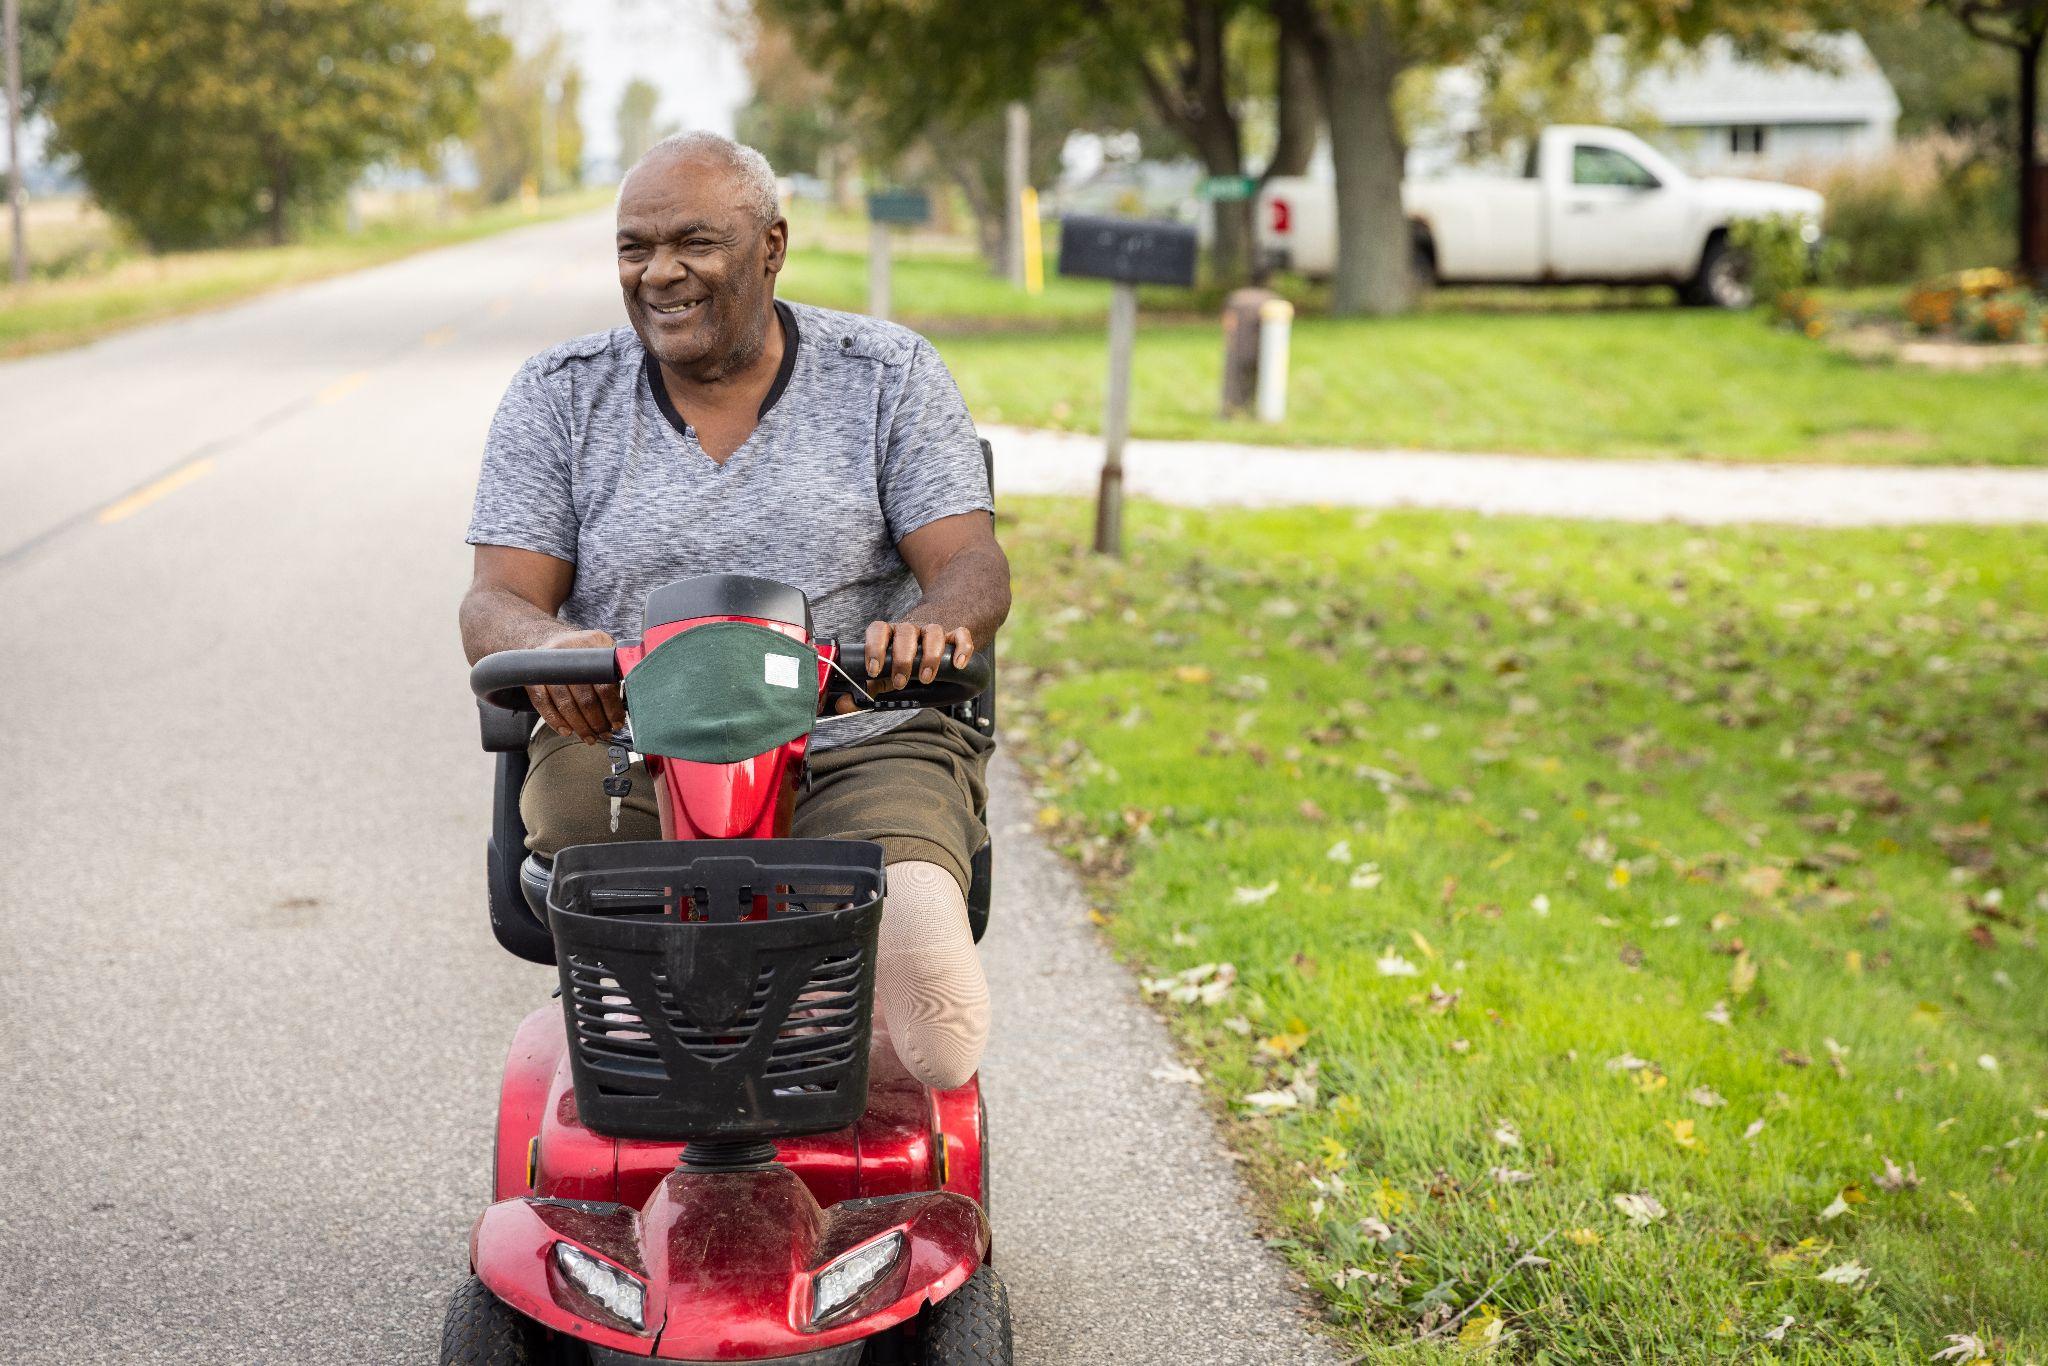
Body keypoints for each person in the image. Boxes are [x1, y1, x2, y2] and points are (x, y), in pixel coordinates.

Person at [458, 132, 1009, 1092]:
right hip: (628, 737)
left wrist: (938, 623)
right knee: (652, 1002)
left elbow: (970, 564)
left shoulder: (886, 373)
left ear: (772, 247)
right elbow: (496, 600)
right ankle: (664, 1143)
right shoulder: (558, 396)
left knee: (939, 1014)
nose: (660, 273)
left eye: (694, 243)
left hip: (858, 730)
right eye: (635, 248)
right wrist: (548, 644)